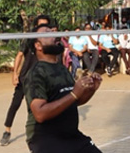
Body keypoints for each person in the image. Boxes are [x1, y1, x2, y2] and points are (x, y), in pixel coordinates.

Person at [24, 23, 102, 153]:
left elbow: (73, 101)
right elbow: (40, 114)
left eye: (53, 31)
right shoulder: (36, 73)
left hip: (71, 136)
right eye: (47, 33)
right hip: (46, 138)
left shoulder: (61, 68)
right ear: (38, 46)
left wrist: (90, 89)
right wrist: (74, 94)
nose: (54, 34)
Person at [1, 14, 51, 147]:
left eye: (45, 26)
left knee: (38, 106)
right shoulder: (29, 40)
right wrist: (15, 74)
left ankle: (41, 133)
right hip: (24, 78)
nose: (43, 28)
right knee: (15, 104)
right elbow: (19, 55)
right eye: (40, 25)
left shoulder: (49, 41)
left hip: (39, 79)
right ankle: (7, 131)